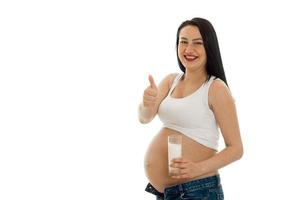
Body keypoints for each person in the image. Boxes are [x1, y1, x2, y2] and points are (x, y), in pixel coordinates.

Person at [138, 17, 243, 200]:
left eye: (197, 43)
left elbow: (236, 149)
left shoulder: (216, 88)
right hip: (166, 194)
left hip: (197, 191)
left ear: (209, 47)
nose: (188, 50)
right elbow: (144, 118)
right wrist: (146, 103)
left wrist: (198, 168)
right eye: (183, 42)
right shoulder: (170, 81)